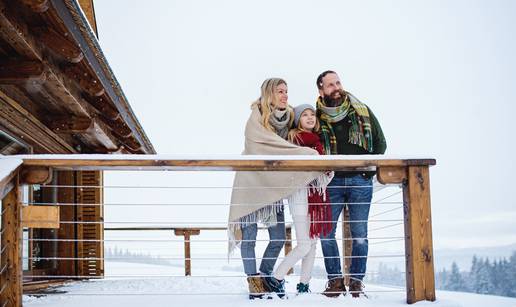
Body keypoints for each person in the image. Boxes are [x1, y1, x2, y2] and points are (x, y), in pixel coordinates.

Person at [228, 78, 325, 299]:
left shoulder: (290, 118)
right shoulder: (255, 118)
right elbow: (271, 148)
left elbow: (297, 137)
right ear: (269, 93)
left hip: (273, 186)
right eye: (279, 91)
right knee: (250, 237)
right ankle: (254, 284)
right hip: (251, 184)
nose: (284, 95)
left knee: (278, 237)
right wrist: (305, 154)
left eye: (286, 91)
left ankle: (266, 278)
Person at [316, 70, 387, 298]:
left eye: (338, 82)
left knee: (360, 234)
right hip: (331, 181)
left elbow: (380, 143)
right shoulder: (316, 116)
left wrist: (367, 172)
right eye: (330, 85)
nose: (336, 87)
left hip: (360, 180)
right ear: (321, 90)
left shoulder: (362, 110)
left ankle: (356, 283)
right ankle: (335, 281)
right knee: (326, 233)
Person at [265, 104, 334, 295]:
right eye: (305, 115)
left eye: (312, 114)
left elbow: (325, 174)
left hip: (316, 195)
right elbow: (296, 169)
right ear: (297, 120)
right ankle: (275, 278)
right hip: (299, 194)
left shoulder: (318, 142)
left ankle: (304, 285)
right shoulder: (294, 140)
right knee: (305, 243)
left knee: (312, 242)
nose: (310, 117)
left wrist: (329, 171)